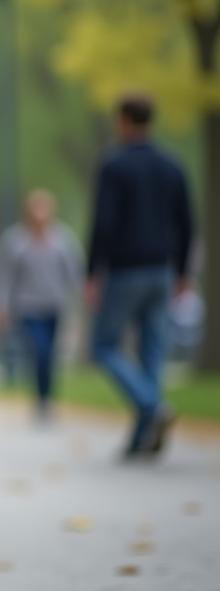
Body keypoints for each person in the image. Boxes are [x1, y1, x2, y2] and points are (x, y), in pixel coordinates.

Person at [86, 91, 194, 459]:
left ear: (124, 120)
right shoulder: (172, 165)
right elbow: (186, 222)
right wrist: (182, 271)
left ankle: (151, 405)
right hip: (162, 269)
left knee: (103, 345)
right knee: (151, 350)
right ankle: (141, 439)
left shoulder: (114, 166)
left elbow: (104, 223)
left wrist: (91, 271)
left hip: (125, 268)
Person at [0, 189, 83, 421]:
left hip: (54, 305)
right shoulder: (14, 240)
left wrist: (83, 295)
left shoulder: (62, 238)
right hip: (26, 307)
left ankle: (46, 399)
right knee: (39, 351)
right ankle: (41, 399)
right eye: (35, 209)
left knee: (50, 355)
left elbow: (74, 272)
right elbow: (3, 276)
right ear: (28, 212)